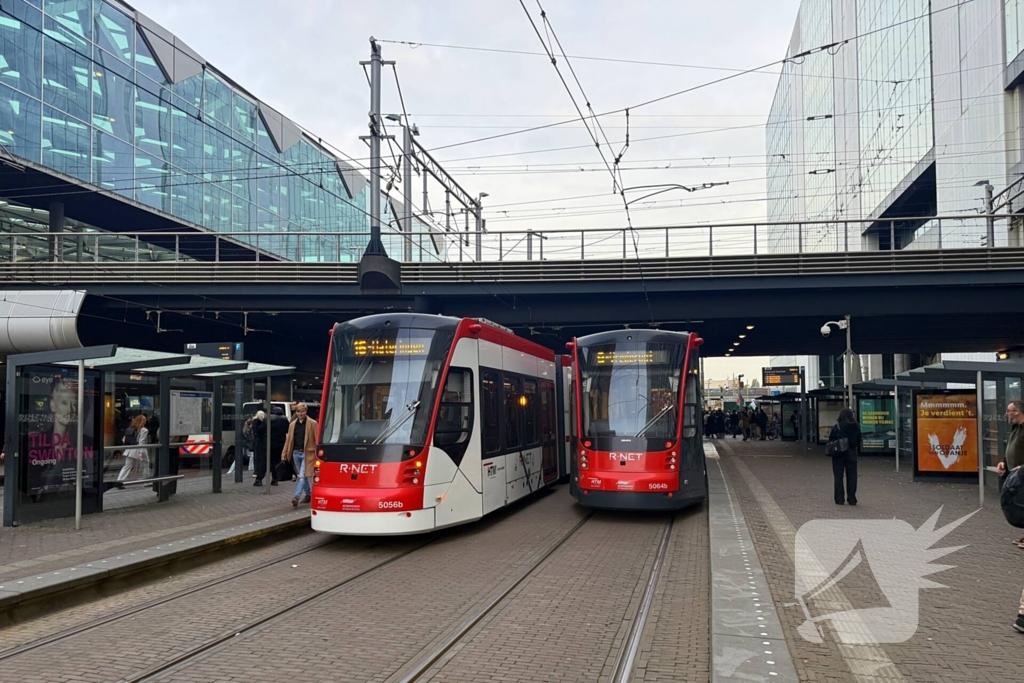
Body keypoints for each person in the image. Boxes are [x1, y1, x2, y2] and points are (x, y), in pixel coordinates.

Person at [998, 400, 1024, 549]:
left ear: (1018, 412)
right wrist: (1004, 462)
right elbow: (1011, 447)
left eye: (1009, 411)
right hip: (1015, 475)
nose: (1007, 414)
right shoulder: (1015, 428)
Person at [282, 403, 318, 507]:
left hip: (307, 453)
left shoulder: (312, 423)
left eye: (302, 411)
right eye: (298, 412)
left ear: (306, 411)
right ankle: (308, 494)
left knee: (302, 476)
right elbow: (288, 440)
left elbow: (317, 440)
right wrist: (284, 453)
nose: (300, 414)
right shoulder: (293, 424)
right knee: (303, 475)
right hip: (295, 453)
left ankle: (296, 497)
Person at [828, 407, 861, 505]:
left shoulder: (836, 427)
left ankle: (839, 499)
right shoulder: (856, 427)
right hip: (851, 454)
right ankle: (851, 498)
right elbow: (859, 440)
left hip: (838, 454)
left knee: (838, 477)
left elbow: (831, 440)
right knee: (852, 477)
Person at [117, 415, 149, 481]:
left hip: (129, 449)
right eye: (144, 420)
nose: (145, 421)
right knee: (145, 464)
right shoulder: (144, 430)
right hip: (139, 449)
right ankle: (146, 480)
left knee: (127, 466)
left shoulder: (130, 428)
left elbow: (124, 439)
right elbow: (141, 442)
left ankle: (119, 480)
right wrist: (141, 452)